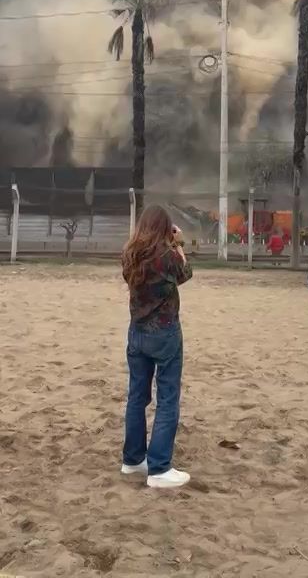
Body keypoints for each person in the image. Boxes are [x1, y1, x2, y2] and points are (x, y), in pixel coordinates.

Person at [121, 205, 192, 489]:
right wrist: (179, 244)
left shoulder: (130, 253)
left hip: (136, 332)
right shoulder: (167, 256)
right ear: (166, 228)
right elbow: (185, 273)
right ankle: (160, 467)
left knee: (137, 397)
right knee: (167, 398)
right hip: (164, 333)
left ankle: (133, 459)